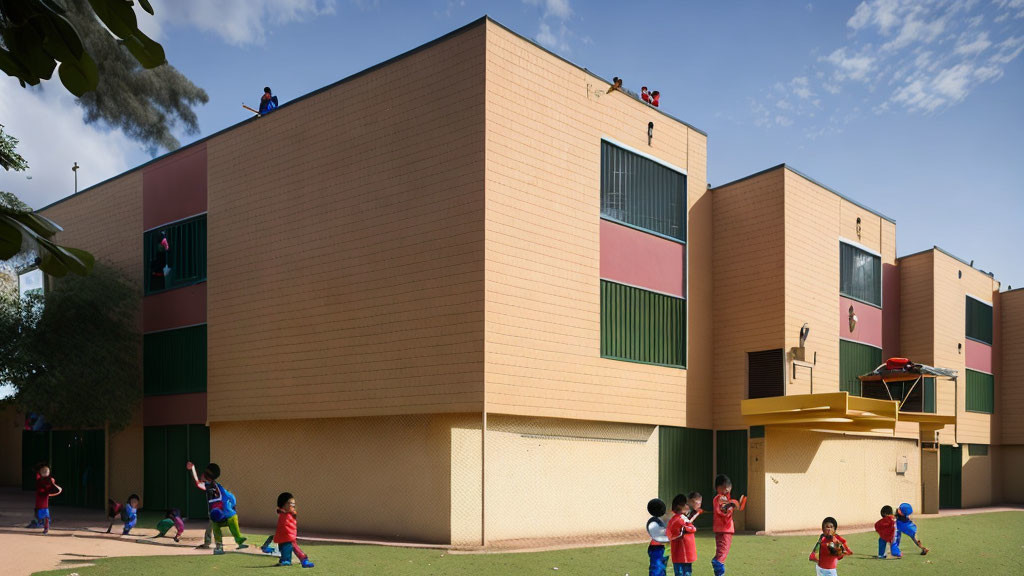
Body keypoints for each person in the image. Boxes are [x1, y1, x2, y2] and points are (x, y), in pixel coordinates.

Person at [186, 461, 248, 554]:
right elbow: (230, 496)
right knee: (222, 524)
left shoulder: (208, 486)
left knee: (214, 525)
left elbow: (197, 482)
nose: (202, 475)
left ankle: (215, 545)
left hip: (216, 512)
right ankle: (237, 540)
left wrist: (192, 469)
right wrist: (233, 506)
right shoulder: (218, 486)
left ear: (206, 476)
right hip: (227, 512)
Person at [261, 492, 315, 567]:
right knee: (286, 549)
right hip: (286, 537)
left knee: (292, 549)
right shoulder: (284, 515)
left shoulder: (288, 515)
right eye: (291, 504)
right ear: (284, 505)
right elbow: (284, 526)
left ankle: (301, 560)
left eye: (294, 504)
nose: (293, 506)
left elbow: (290, 526)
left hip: (288, 537)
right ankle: (294, 560)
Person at [711, 474, 743, 576]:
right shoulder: (721, 498)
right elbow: (723, 511)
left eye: (728, 487)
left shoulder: (720, 498)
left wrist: (731, 504)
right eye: (724, 488)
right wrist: (732, 505)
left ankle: (717, 566)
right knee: (722, 554)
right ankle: (719, 571)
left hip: (721, 529)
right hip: (725, 530)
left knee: (721, 552)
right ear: (718, 488)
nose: (727, 490)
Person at [666, 493, 700, 576]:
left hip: (683, 554)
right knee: (683, 572)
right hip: (682, 553)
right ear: (681, 506)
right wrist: (686, 529)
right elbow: (674, 533)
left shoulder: (678, 518)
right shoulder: (679, 519)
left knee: (684, 572)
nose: (688, 506)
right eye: (686, 504)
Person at [30, 463, 62, 534]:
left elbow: (52, 488)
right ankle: (42, 525)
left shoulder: (45, 480)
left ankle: (44, 527)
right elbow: (52, 488)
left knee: (44, 515)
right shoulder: (46, 480)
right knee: (42, 514)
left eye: (47, 472)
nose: (46, 473)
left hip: (42, 501)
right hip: (42, 500)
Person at [645, 498, 669, 576]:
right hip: (657, 548)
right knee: (657, 570)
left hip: (662, 548)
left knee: (661, 569)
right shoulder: (654, 522)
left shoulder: (662, 519)